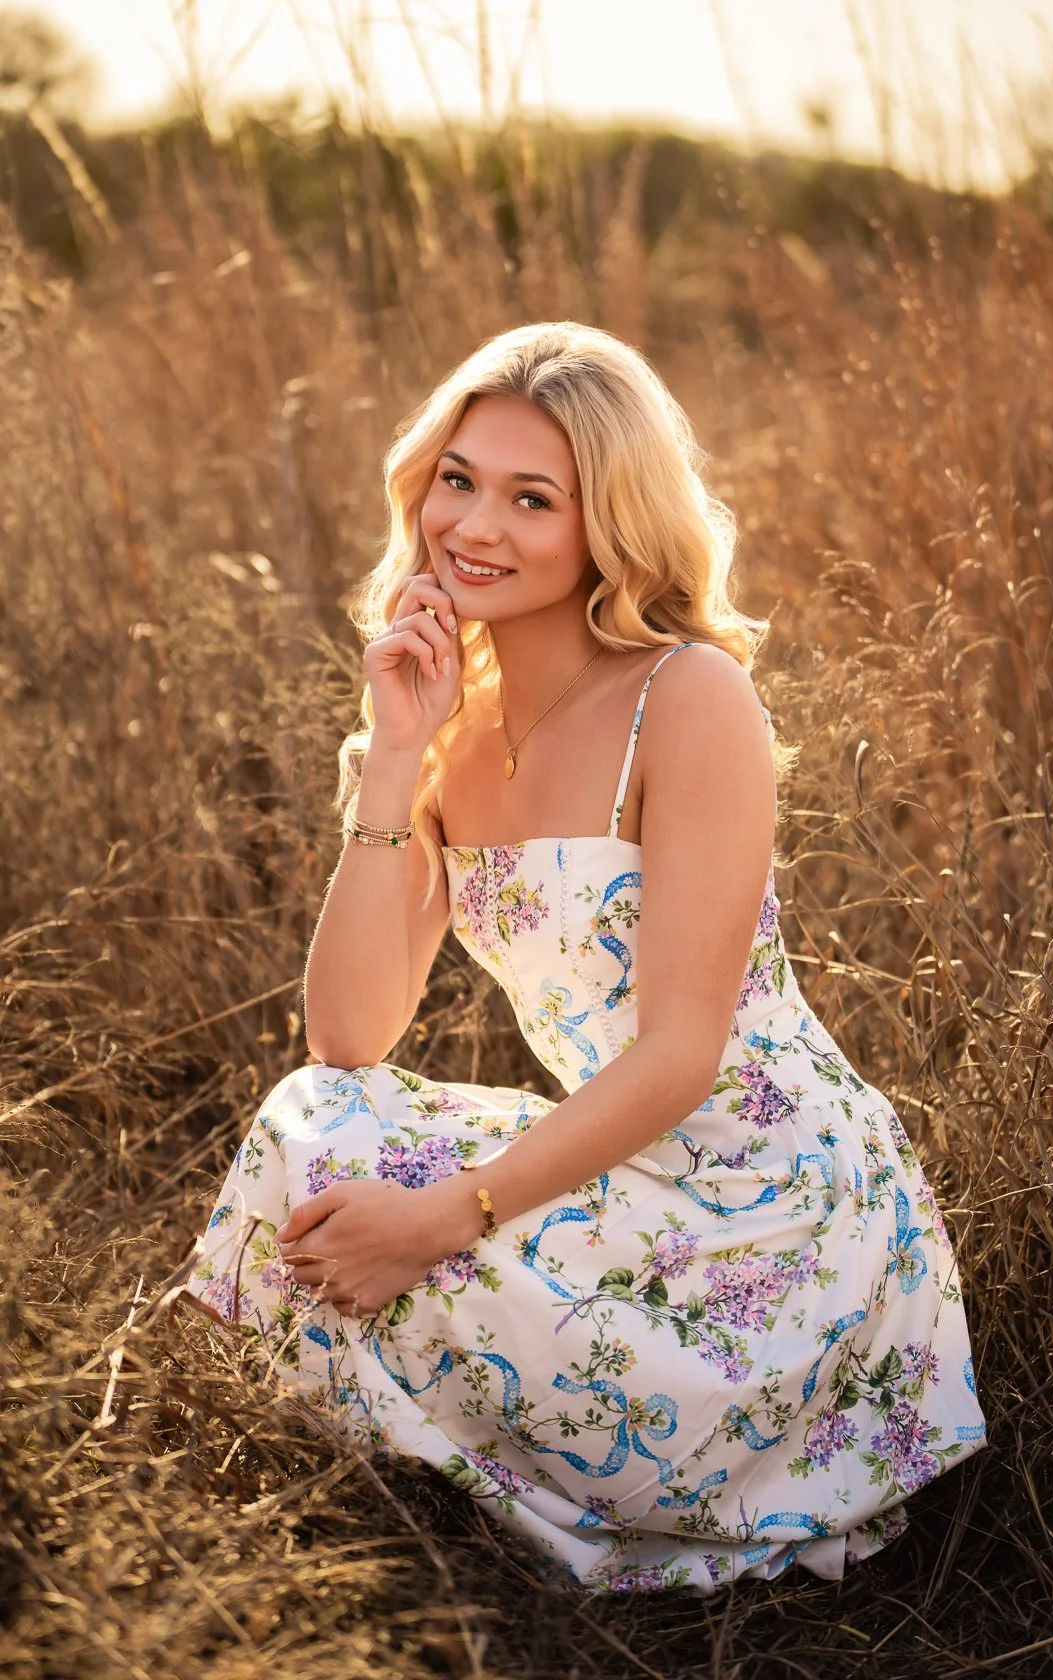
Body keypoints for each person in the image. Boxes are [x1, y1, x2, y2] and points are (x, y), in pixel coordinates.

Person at [187, 320, 986, 1596]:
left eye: (531, 498)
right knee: (312, 1128)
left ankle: (552, 1491)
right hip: (610, 1169)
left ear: (605, 522)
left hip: (773, 1211)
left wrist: (445, 1217)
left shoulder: (690, 697)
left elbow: (679, 1056)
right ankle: (382, 1495)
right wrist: (393, 759)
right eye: (458, 479)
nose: (475, 526)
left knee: (380, 1217)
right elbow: (346, 1038)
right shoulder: (444, 721)